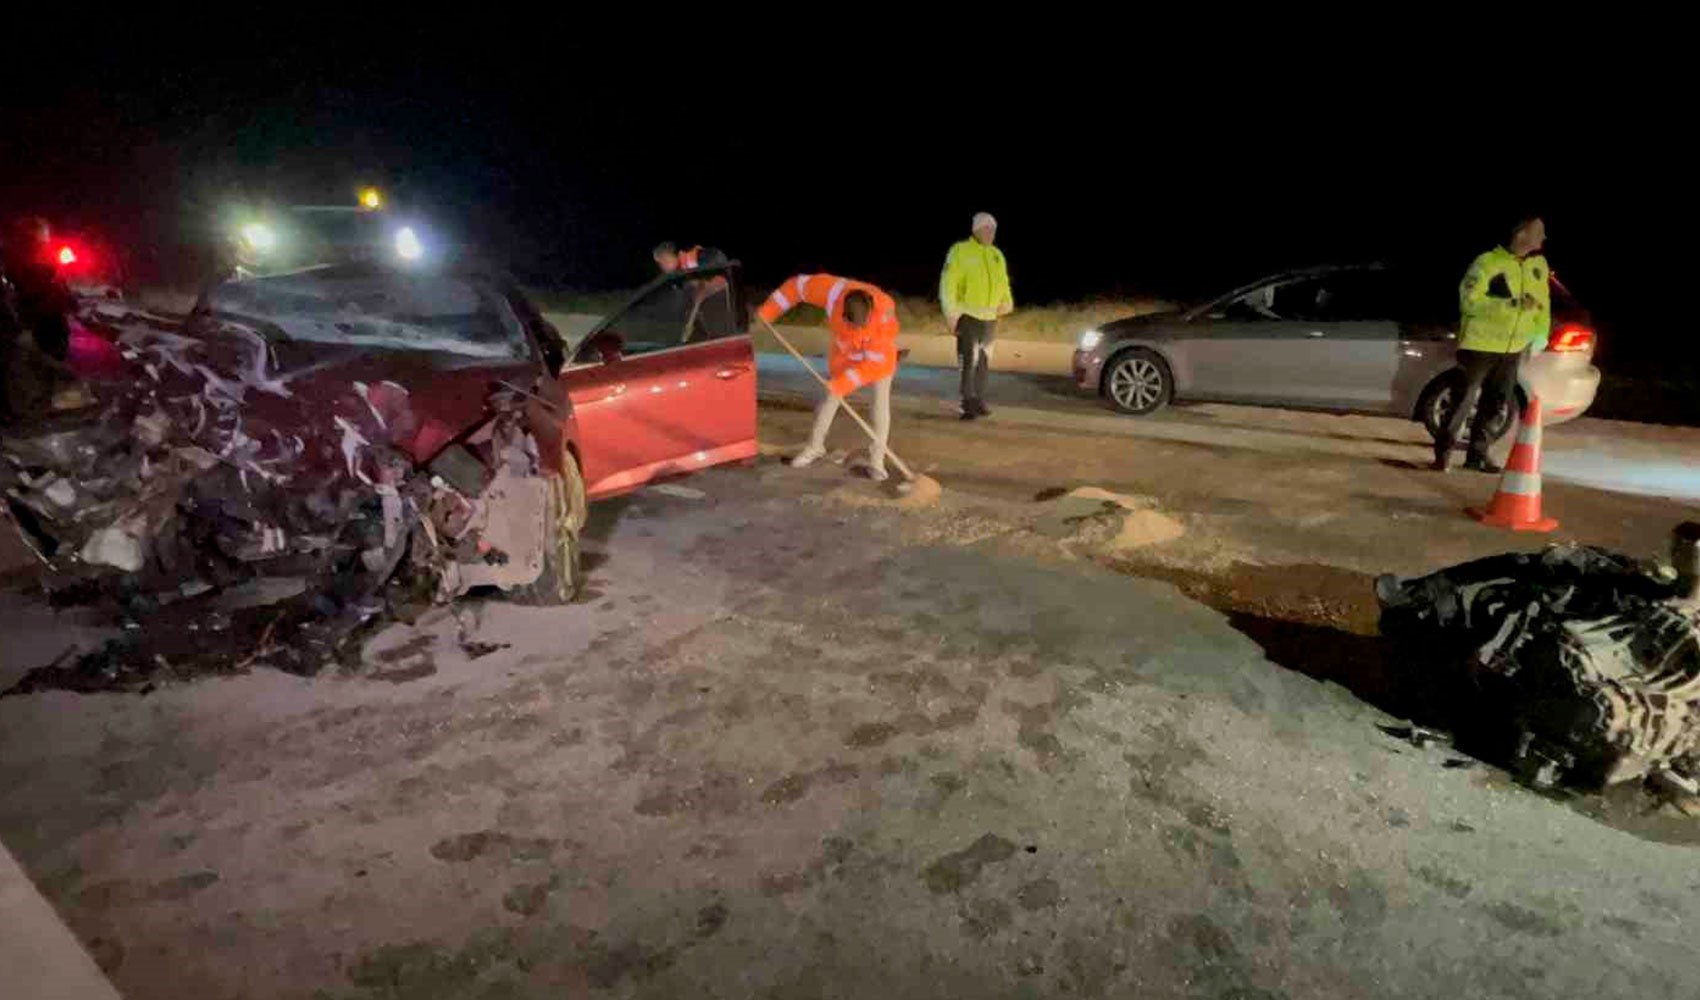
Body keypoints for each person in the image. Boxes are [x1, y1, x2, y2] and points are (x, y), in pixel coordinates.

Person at [1433, 216, 1551, 473]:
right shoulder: (1487, 263)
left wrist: (1540, 335)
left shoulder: (1539, 266)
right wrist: (1508, 305)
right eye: (1538, 232)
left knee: (1496, 404)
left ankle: (1477, 455)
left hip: (1512, 349)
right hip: (1480, 346)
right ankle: (1444, 454)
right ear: (1520, 234)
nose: (1543, 238)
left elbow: (1543, 305)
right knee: (1462, 401)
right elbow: (1469, 302)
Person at [757, 273, 900, 480]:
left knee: (879, 404)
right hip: (845, 356)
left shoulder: (884, 317)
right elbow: (795, 287)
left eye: (862, 325)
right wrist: (768, 312)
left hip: (877, 361)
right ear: (843, 314)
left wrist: (843, 384)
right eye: (853, 324)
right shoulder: (832, 292)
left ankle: (877, 461)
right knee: (829, 397)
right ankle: (815, 447)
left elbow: (872, 366)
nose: (858, 328)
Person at [939, 212, 1013, 420]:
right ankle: (966, 403)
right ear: (976, 230)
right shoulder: (960, 251)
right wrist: (951, 312)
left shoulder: (996, 255)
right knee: (968, 360)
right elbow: (948, 282)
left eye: (993, 230)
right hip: (968, 315)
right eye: (987, 229)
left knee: (984, 361)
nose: (991, 233)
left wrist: (1007, 301)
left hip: (990, 317)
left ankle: (978, 398)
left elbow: (1003, 281)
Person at [652, 241, 728, 275]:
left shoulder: (693, 257)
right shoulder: (682, 269)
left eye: (665, 261)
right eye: (662, 263)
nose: (664, 266)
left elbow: (718, 257)